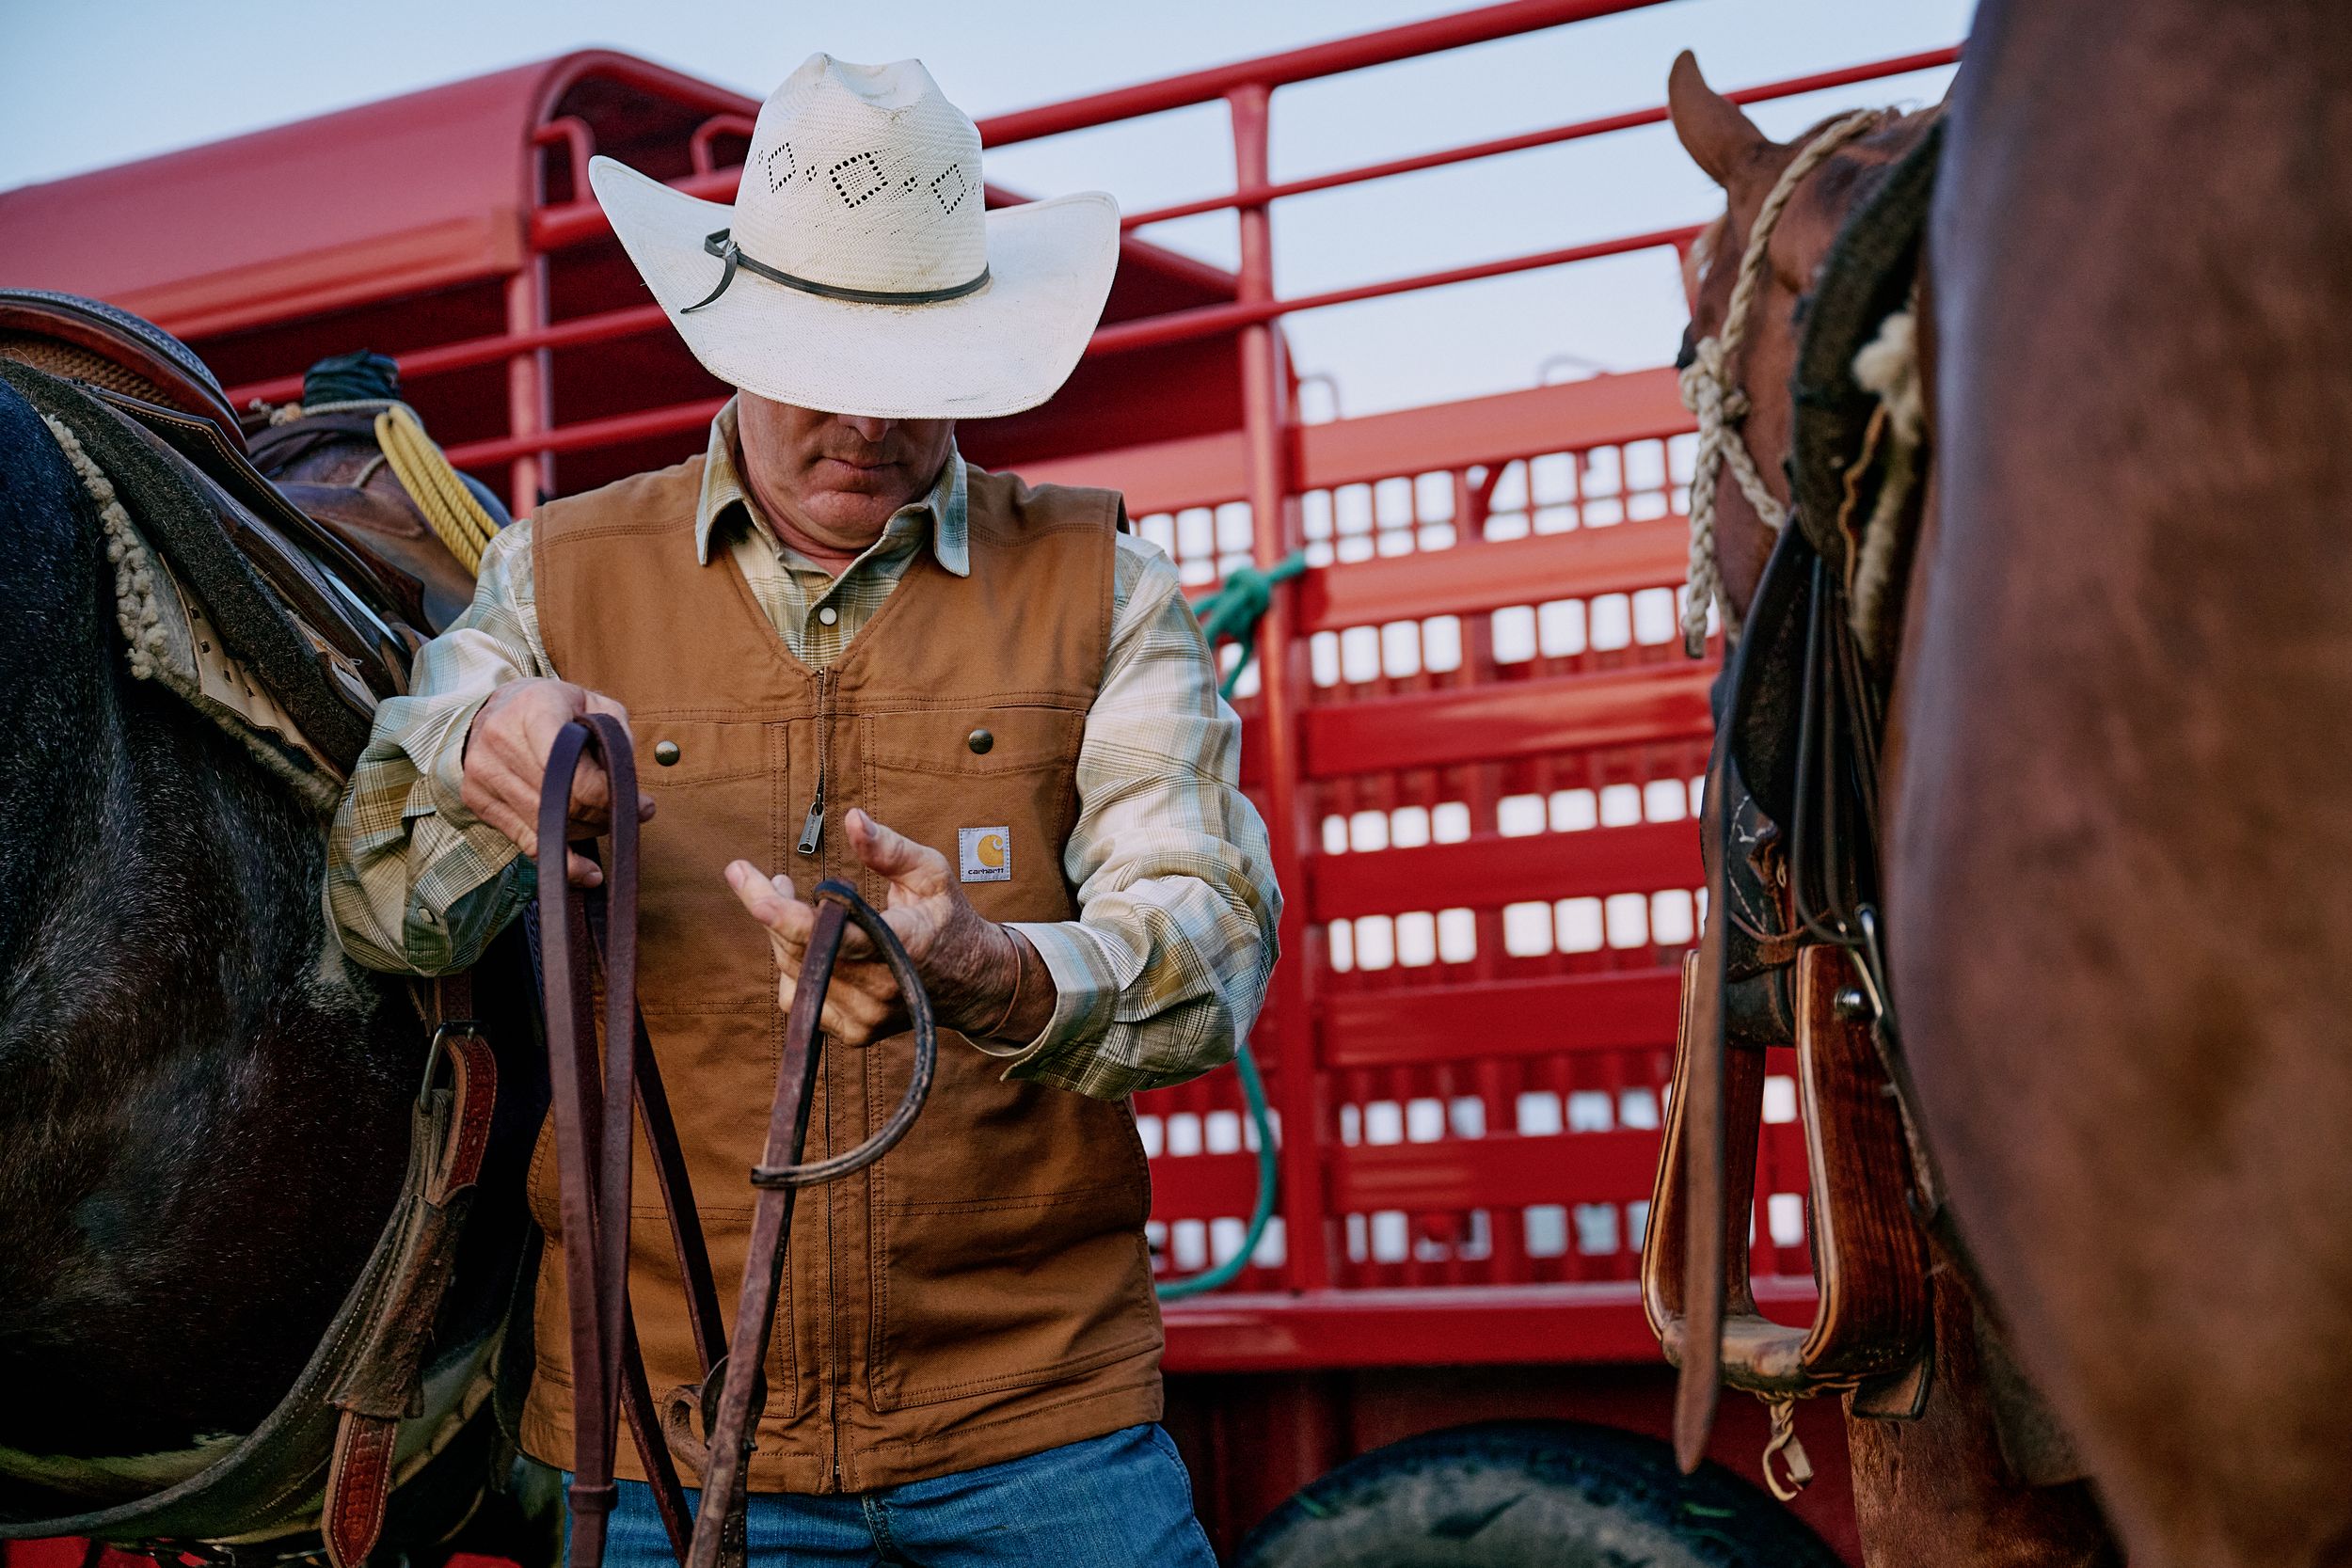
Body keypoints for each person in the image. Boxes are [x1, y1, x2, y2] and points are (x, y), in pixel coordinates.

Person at [325, 52, 1279, 1568]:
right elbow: (377, 911)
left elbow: (1209, 946)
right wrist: (474, 761)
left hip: (1038, 1425)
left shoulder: (1103, 585)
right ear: (736, 335)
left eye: (913, 373)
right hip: (656, 1437)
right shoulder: (555, 578)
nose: (865, 422)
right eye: (819, 358)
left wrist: (991, 969)